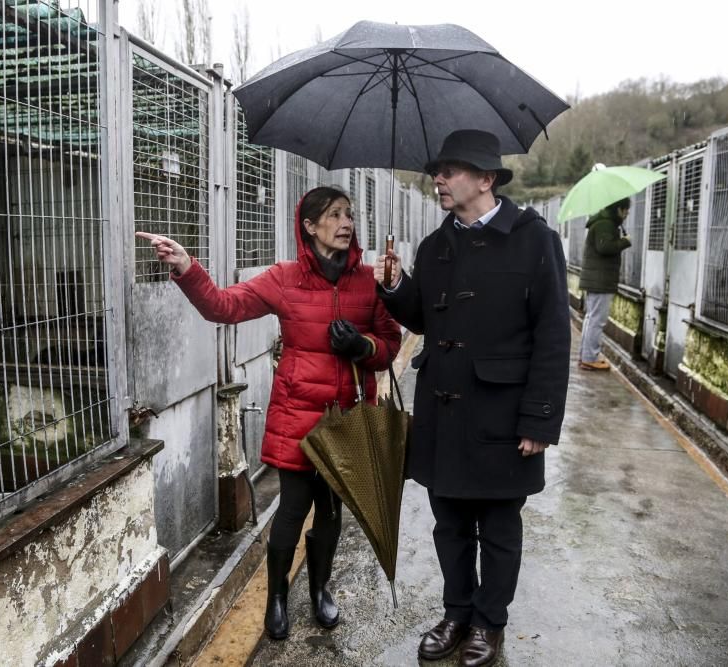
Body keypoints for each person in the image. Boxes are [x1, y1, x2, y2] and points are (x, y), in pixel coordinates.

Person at [136, 186, 401, 641]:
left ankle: (320, 589)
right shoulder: (285, 277)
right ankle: (276, 597)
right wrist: (186, 268)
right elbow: (223, 306)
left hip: (349, 420)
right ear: (309, 225)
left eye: (349, 215)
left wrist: (364, 346)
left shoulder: (368, 281)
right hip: (298, 418)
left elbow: (389, 343)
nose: (346, 223)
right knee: (291, 511)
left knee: (332, 512)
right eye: (334, 215)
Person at [372, 129, 570, 667]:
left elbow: (553, 334)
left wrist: (540, 418)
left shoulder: (533, 239)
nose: (438, 179)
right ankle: (456, 612)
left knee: (500, 527)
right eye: (438, 170)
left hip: (502, 414)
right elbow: (426, 319)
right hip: (442, 409)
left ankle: (489, 622)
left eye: (451, 171)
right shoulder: (435, 246)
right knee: (449, 523)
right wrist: (396, 288)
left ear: (486, 180)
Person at [577, 198, 632, 371]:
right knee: (596, 320)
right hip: (600, 280)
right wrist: (625, 241)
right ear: (618, 210)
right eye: (625, 210)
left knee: (591, 318)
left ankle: (586, 355)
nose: (627, 213)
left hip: (596, 279)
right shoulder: (605, 224)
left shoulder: (603, 223)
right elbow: (604, 248)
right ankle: (589, 358)